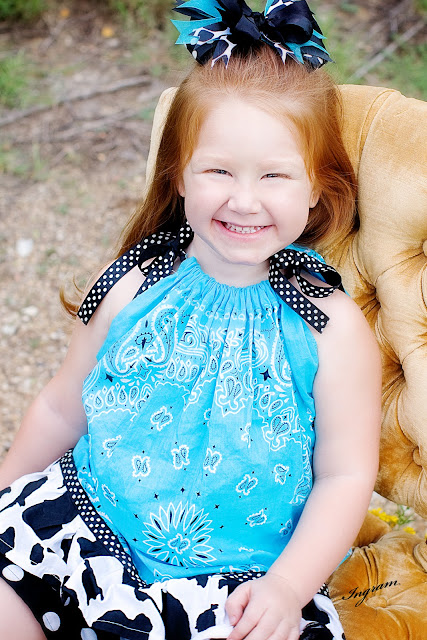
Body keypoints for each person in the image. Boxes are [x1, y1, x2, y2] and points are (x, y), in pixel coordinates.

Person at [0, 1, 382, 639]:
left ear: (318, 186)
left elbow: (345, 476)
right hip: (83, 529)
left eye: (275, 175)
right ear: (178, 175)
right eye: (218, 170)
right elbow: (63, 408)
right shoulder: (133, 282)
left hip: (233, 581)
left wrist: (288, 587)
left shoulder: (330, 328)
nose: (244, 199)